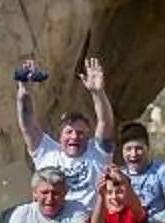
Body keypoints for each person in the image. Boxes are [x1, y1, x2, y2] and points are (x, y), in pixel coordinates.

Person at [17, 54, 114, 183]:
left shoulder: (97, 152)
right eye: (69, 132)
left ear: (89, 136)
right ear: (59, 135)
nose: (74, 137)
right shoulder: (47, 152)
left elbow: (105, 122)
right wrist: (24, 90)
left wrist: (97, 93)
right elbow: (27, 125)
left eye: (80, 133)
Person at [115, 118, 165, 213]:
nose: (133, 154)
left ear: (148, 147)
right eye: (128, 149)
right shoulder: (119, 175)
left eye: (138, 148)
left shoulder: (163, 172)